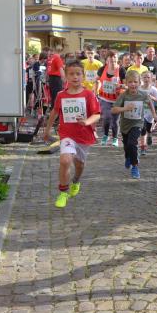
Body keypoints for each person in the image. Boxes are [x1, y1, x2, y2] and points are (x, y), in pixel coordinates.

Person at [44, 60, 101, 208]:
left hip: (83, 135)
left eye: (78, 74)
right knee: (65, 160)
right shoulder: (61, 95)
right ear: (66, 76)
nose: (75, 77)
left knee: (79, 165)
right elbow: (55, 112)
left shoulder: (88, 94)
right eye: (71, 74)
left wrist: (87, 122)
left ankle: (76, 181)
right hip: (67, 134)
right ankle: (63, 192)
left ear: (83, 76)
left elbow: (97, 114)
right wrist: (47, 129)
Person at [112, 70, 152, 179]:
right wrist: (125, 108)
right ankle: (128, 157)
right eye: (130, 82)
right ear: (126, 83)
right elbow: (114, 110)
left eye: (135, 82)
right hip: (125, 125)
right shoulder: (123, 96)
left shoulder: (143, 94)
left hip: (137, 123)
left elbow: (149, 102)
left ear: (139, 82)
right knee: (126, 146)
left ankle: (135, 166)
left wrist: (154, 115)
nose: (133, 84)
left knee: (132, 143)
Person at [95, 51, 125, 147]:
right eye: (110, 57)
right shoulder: (102, 69)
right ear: (107, 59)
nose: (112, 59)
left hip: (117, 100)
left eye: (114, 57)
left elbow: (126, 85)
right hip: (104, 98)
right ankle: (105, 135)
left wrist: (120, 86)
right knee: (106, 117)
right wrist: (96, 89)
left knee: (115, 120)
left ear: (117, 58)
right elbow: (97, 80)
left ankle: (115, 138)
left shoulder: (121, 70)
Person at [138, 70, 157, 155]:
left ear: (151, 79)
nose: (146, 79)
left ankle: (150, 134)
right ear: (141, 78)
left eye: (148, 77)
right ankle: (143, 147)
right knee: (143, 129)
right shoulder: (139, 88)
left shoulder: (153, 89)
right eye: (144, 77)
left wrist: (152, 97)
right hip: (140, 112)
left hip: (150, 112)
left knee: (148, 128)